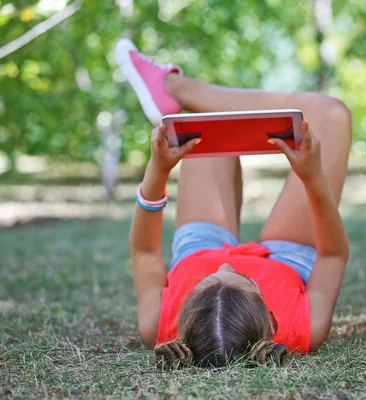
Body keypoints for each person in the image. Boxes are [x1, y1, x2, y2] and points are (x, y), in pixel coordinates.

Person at [115, 38, 351, 368]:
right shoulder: (307, 327)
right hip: (286, 259)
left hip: (198, 248)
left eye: (205, 280)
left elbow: (144, 251)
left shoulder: (157, 323)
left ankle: (172, 89)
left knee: (202, 127)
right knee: (333, 114)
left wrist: (157, 171)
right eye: (243, 278)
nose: (226, 264)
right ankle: (174, 86)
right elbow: (332, 254)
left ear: (182, 318)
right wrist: (313, 177)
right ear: (271, 320)